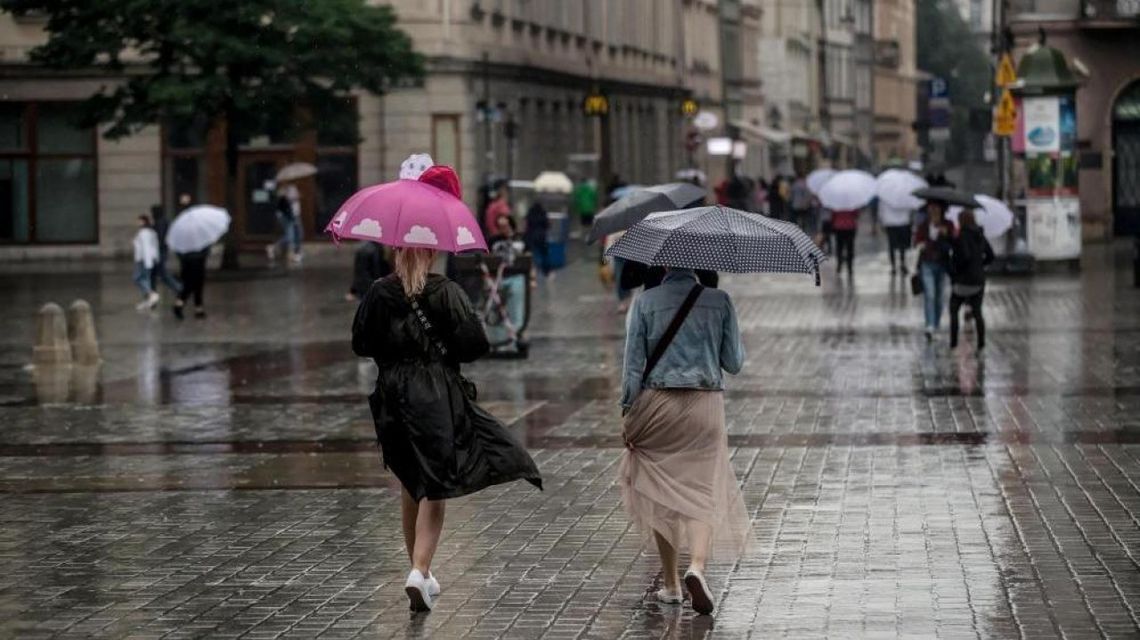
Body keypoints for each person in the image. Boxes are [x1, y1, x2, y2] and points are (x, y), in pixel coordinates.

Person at [351, 247, 542, 612]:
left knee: (411, 479)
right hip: (434, 392)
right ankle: (419, 570)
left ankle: (420, 570)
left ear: (395, 251)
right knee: (436, 481)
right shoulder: (445, 291)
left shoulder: (378, 291)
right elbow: (475, 344)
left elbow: (361, 342)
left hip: (391, 393)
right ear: (432, 253)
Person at [620, 268, 750, 616]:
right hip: (705, 404)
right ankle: (696, 566)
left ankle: (671, 584)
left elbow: (632, 368)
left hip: (658, 403)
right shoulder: (719, 301)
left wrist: (628, 413)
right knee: (702, 489)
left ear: (663, 265)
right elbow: (734, 363)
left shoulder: (645, 302)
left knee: (662, 493)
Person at [948, 209, 994, 351]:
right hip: (978, 280)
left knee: (954, 308)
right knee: (977, 311)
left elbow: (964, 257)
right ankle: (981, 343)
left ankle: (954, 342)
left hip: (963, 280)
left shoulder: (961, 236)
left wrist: (955, 268)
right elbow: (991, 255)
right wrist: (980, 265)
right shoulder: (980, 235)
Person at [915, 200, 955, 341]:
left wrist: (946, 234)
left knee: (939, 297)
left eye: (935, 208)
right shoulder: (924, 226)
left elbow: (954, 242)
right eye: (930, 208)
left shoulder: (948, 224)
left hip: (942, 264)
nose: (933, 211)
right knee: (930, 294)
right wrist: (922, 245)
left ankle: (936, 323)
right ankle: (930, 325)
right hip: (927, 263)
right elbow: (917, 240)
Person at [149, 204, 182, 296]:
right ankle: (152, 292)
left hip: (159, 250)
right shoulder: (162, 221)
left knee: (160, 273)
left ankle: (179, 288)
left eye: (153, 212)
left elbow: (160, 237)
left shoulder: (160, 222)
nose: (152, 214)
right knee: (155, 272)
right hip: (161, 250)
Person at [267, 182, 302, 265]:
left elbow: (295, 199)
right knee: (290, 236)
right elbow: (283, 203)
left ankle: (296, 253)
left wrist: (296, 197)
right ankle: (273, 247)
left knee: (298, 234)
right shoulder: (281, 191)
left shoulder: (293, 187)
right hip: (287, 216)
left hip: (295, 215)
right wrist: (289, 198)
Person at [132, 215, 161, 311]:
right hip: (149, 259)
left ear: (144, 222)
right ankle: (148, 300)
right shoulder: (151, 232)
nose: (138, 223)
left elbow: (145, 248)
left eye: (139, 221)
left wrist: (147, 262)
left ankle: (151, 295)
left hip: (143, 259)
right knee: (146, 279)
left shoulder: (144, 233)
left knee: (138, 278)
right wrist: (156, 258)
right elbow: (155, 246)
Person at [878, 199, 914, 276]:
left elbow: (881, 210)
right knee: (902, 245)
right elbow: (910, 207)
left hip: (890, 222)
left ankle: (893, 266)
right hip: (903, 221)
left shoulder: (884, 195)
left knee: (892, 245)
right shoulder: (903, 195)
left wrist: (882, 221)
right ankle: (902, 263)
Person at [524, 198, 550, 278]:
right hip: (541, 236)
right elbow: (547, 225)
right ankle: (546, 271)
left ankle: (530, 270)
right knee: (544, 254)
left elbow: (527, 225)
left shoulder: (530, 213)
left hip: (531, 236)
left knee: (531, 254)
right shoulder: (543, 213)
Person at [831, 208, 859, 278]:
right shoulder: (852, 205)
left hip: (839, 227)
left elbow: (833, 215)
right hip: (850, 227)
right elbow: (856, 215)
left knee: (839, 247)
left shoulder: (836, 205)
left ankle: (839, 265)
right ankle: (850, 267)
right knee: (850, 248)